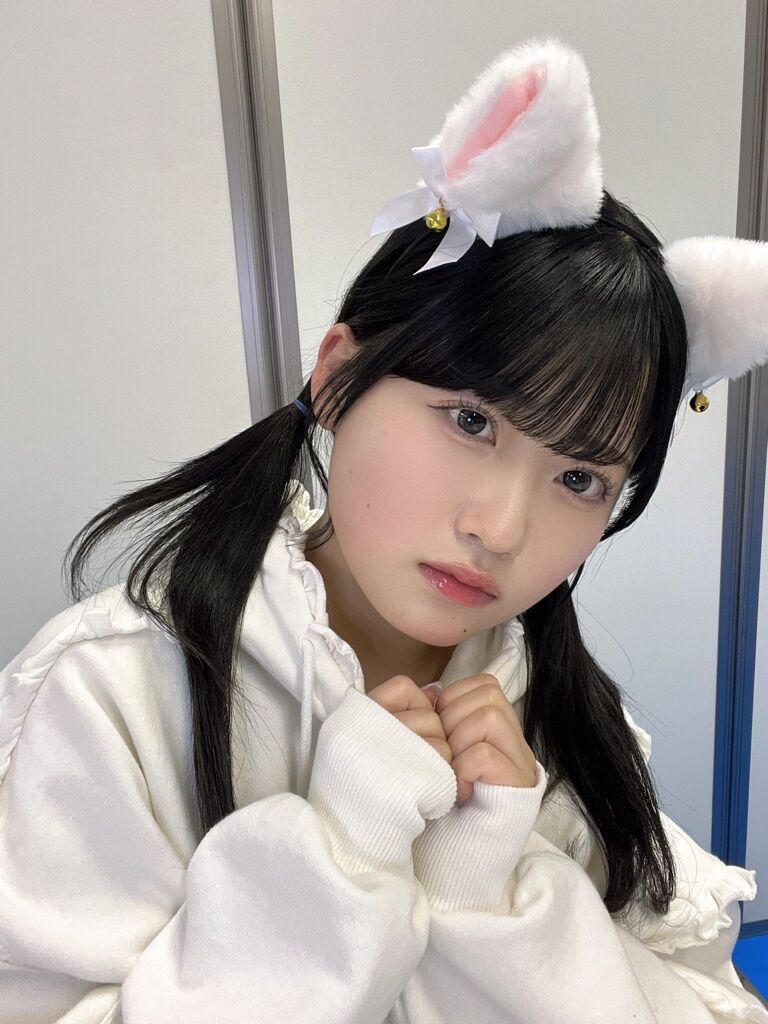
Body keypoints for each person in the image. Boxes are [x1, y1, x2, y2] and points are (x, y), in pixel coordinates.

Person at [1, 36, 767, 1024]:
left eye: (579, 477)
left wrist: (498, 902)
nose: (500, 528)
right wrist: (336, 863)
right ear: (335, 377)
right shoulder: (110, 694)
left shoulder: (571, 725)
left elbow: (711, 999)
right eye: (471, 421)